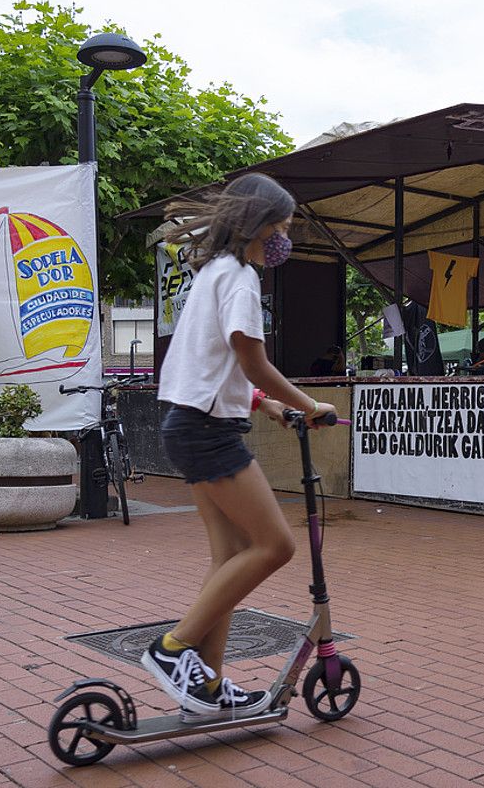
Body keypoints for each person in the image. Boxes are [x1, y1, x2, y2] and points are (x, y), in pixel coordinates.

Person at [145, 173, 338, 723]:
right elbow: (252, 359)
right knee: (276, 547)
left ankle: (207, 684)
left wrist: (263, 404)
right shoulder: (242, 278)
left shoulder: (214, 273)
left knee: (229, 557)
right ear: (259, 225)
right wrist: (308, 405)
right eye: (281, 227)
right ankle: (173, 649)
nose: (284, 238)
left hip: (187, 424)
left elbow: (214, 363)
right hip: (208, 433)